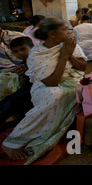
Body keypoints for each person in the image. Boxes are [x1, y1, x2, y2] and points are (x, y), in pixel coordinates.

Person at [1, 18, 87, 164]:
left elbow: (83, 66)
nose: (68, 32)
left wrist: (70, 54)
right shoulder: (36, 53)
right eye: (64, 29)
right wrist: (64, 55)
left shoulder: (69, 45)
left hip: (70, 80)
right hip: (44, 86)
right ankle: (12, 141)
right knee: (55, 95)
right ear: (52, 34)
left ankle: (45, 134)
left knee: (78, 91)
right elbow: (51, 82)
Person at [0, 37, 34, 129]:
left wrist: (29, 72)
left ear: (32, 47)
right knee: (8, 99)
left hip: (36, 88)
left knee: (13, 101)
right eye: (15, 51)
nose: (20, 53)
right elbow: (22, 85)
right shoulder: (23, 64)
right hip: (26, 89)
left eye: (23, 49)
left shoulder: (37, 61)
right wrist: (23, 75)